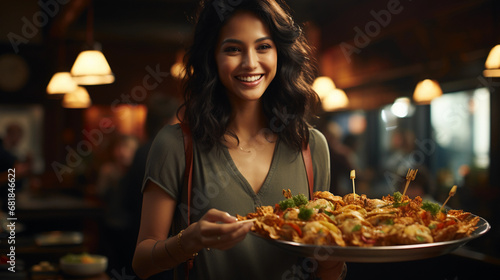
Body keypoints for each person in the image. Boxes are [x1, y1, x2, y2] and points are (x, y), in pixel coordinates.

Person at [132, 0, 346, 279]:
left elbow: (326, 271)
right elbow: (142, 263)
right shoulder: (175, 144)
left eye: (263, 47)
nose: (250, 63)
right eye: (233, 49)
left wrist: (334, 257)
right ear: (212, 57)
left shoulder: (312, 147)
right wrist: (191, 240)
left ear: (280, 52)